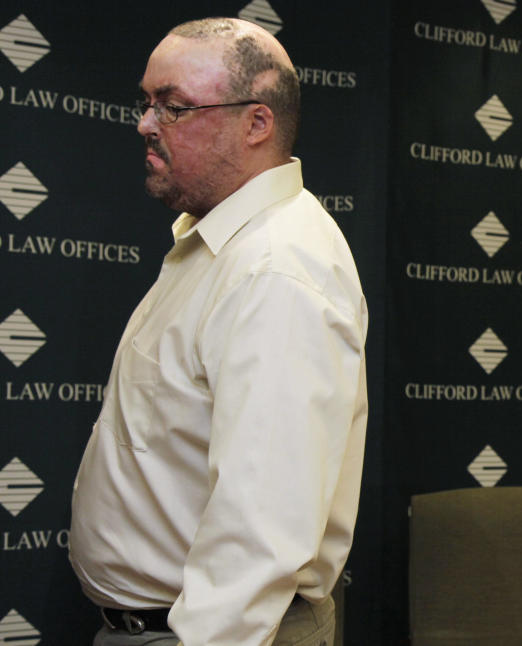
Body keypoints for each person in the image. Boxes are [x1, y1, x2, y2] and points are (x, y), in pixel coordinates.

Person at [69, 17, 368, 646]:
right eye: (146, 103)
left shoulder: (277, 267)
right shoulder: (219, 245)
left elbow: (262, 532)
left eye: (173, 107)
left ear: (256, 124)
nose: (146, 124)